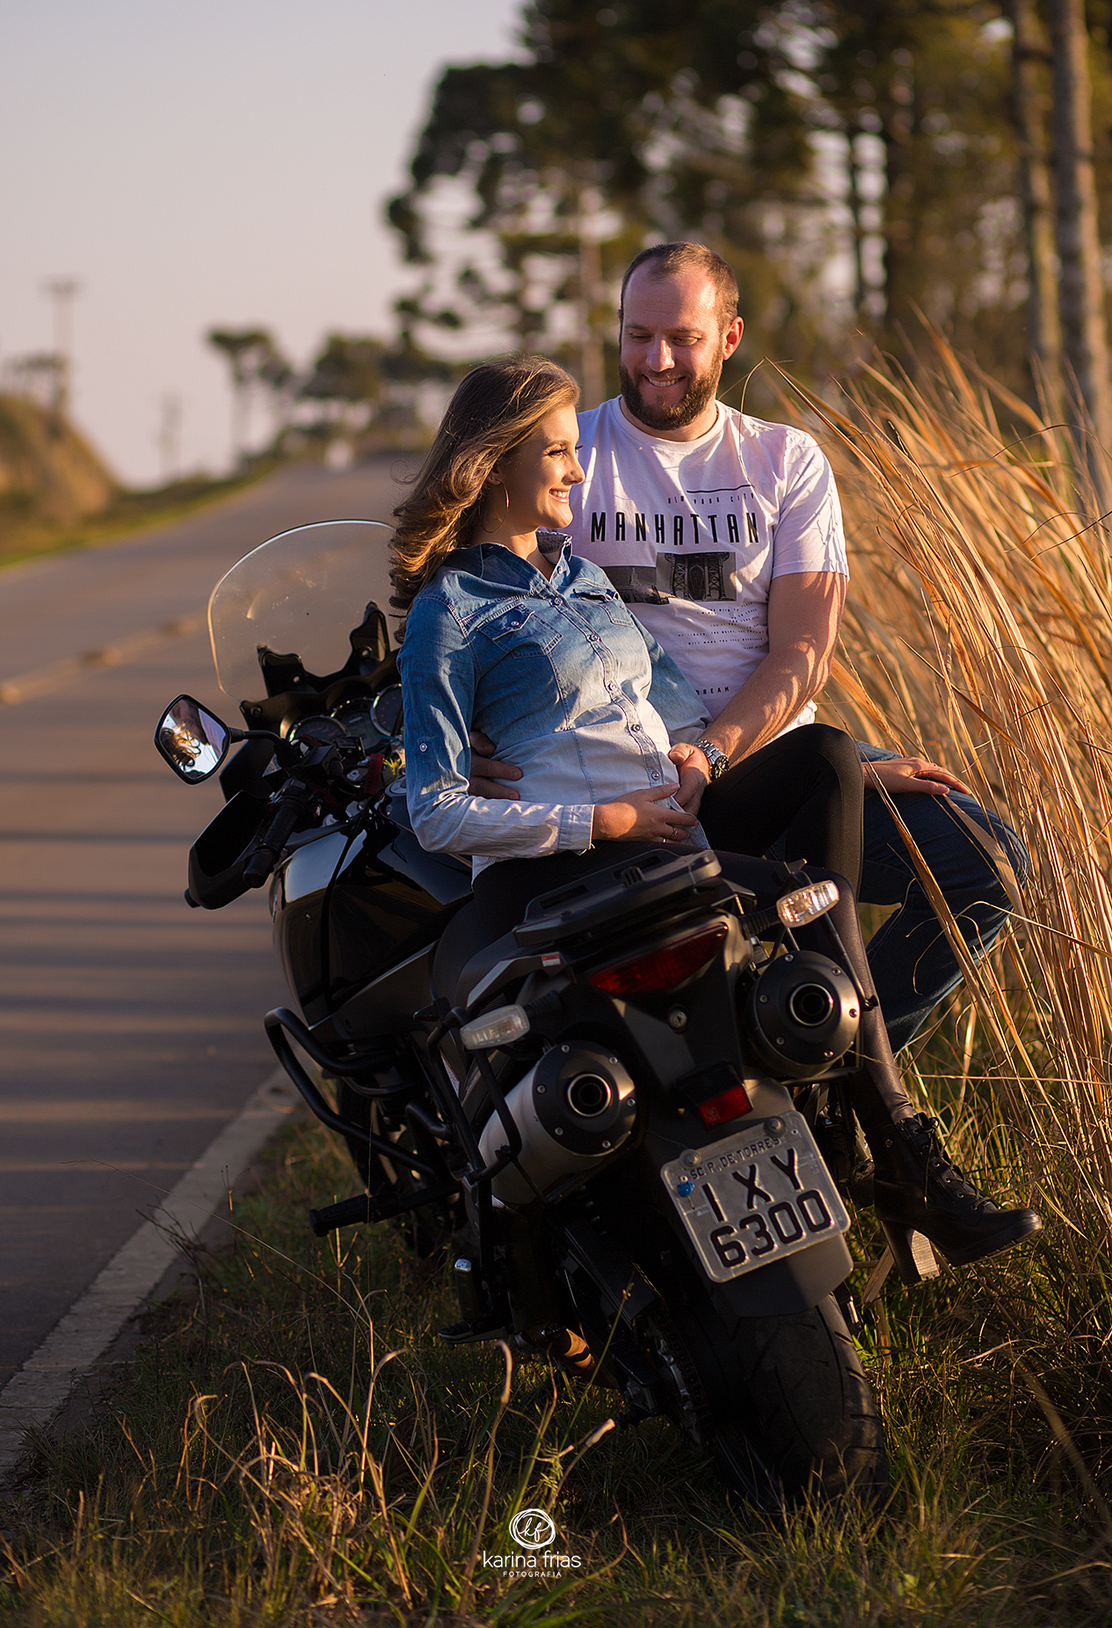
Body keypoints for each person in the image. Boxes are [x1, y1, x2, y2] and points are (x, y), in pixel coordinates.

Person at [392, 354, 1040, 1278]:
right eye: (560, 454)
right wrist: (602, 823)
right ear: (495, 465)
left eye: (579, 450)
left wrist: (861, 768)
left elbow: (687, 722)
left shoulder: (584, 583)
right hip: (576, 865)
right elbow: (437, 812)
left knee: (823, 757)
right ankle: (878, 1140)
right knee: (805, 868)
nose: (579, 470)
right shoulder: (449, 611)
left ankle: (889, 1137)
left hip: (676, 836)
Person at [469, 242, 1029, 1059]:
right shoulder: (565, 462)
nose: (656, 359)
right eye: (636, 335)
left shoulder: (785, 461)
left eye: (682, 339)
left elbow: (803, 652)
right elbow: (479, 617)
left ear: (728, 338)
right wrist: (473, 742)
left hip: (764, 757)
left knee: (990, 866)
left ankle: (823, 1061)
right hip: (616, 772)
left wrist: (773, 759)